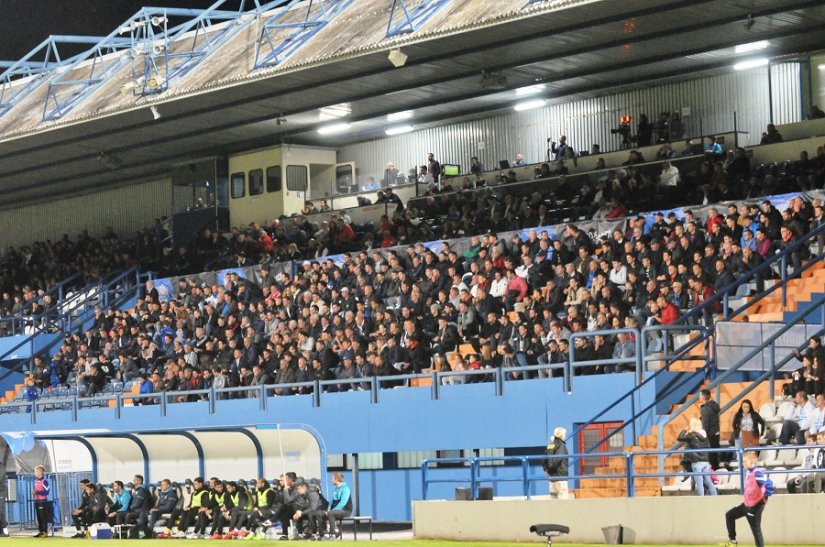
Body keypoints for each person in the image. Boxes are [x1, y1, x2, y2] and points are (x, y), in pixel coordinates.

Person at [724, 451, 770, 547]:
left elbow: (768, 485)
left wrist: (762, 501)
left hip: (755, 507)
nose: (742, 463)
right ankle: (732, 541)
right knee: (729, 515)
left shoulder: (757, 473)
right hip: (747, 504)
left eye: (745, 461)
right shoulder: (749, 472)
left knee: (756, 530)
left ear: (752, 461)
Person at [677, 417, 718, 496]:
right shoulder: (705, 435)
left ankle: (701, 499)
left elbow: (679, 438)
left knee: (699, 483)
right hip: (705, 461)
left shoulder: (692, 435)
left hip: (696, 461)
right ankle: (715, 495)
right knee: (708, 481)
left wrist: (685, 430)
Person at [542, 427, 569, 499]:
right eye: (564, 433)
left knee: (553, 500)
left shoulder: (550, 444)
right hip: (560, 476)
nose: (565, 435)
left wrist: (546, 470)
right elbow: (558, 459)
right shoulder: (561, 445)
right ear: (561, 435)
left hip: (552, 477)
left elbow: (544, 459)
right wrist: (550, 470)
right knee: (563, 499)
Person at [324, 472, 351, 540]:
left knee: (331, 513)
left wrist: (332, 511)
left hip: (345, 510)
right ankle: (323, 534)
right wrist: (329, 509)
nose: (331, 480)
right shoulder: (335, 488)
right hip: (335, 510)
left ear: (336, 479)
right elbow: (331, 501)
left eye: (332, 479)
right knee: (320, 513)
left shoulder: (345, 489)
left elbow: (343, 503)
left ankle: (333, 534)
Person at [699, 389, 721, 469]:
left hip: (709, 436)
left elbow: (705, 424)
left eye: (700, 395)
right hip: (715, 433)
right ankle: (716, 472)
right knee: (714, 456)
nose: (699, 397)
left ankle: (713, 475)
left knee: (711, 457)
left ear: (703, 397)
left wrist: (703, 436)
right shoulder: (714, 406)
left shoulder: (705, 409)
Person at [32, 465, 51, 538]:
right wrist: (34, 492)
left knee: (43, 517)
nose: (35, 473)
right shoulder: (36, 481)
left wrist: (37, 492)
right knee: (39, 517)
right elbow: (37, 490)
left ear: (41, 472)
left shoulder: (45, 481)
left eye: (36, 471)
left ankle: (45, 532)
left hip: (42, 501)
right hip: (36, 501)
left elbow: (47, 492)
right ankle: (40, 531)